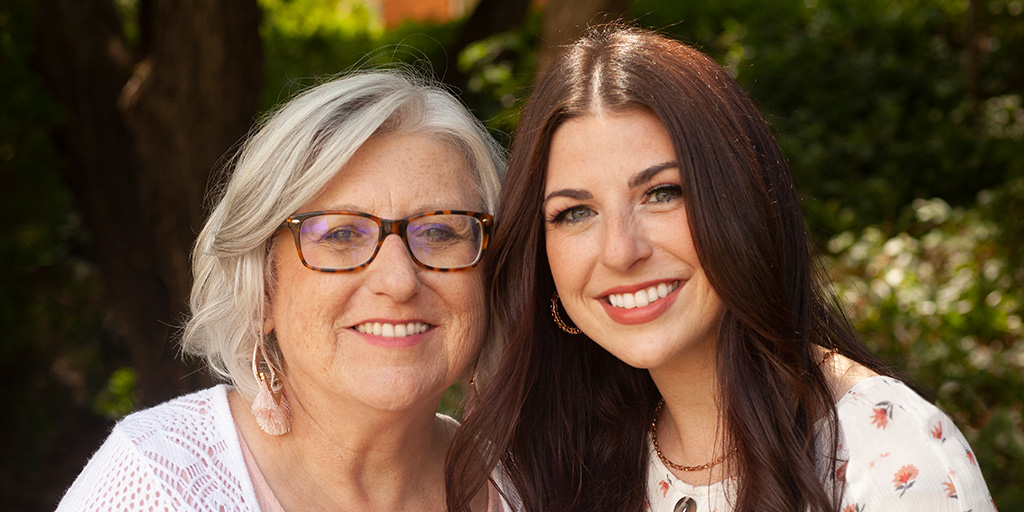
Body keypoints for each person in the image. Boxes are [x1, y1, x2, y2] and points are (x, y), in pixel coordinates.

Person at [446, 24, 996, 512]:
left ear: (739, 201)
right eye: (575, 212)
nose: (620, 251)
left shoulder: (887, 459)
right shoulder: (560, 460)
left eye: (662, 193)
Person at [57, 70, 509, 511]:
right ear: (264, 286)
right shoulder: (159, 484)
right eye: (341, 235)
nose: (398, 281)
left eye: (440, 233)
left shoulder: (529, 487)